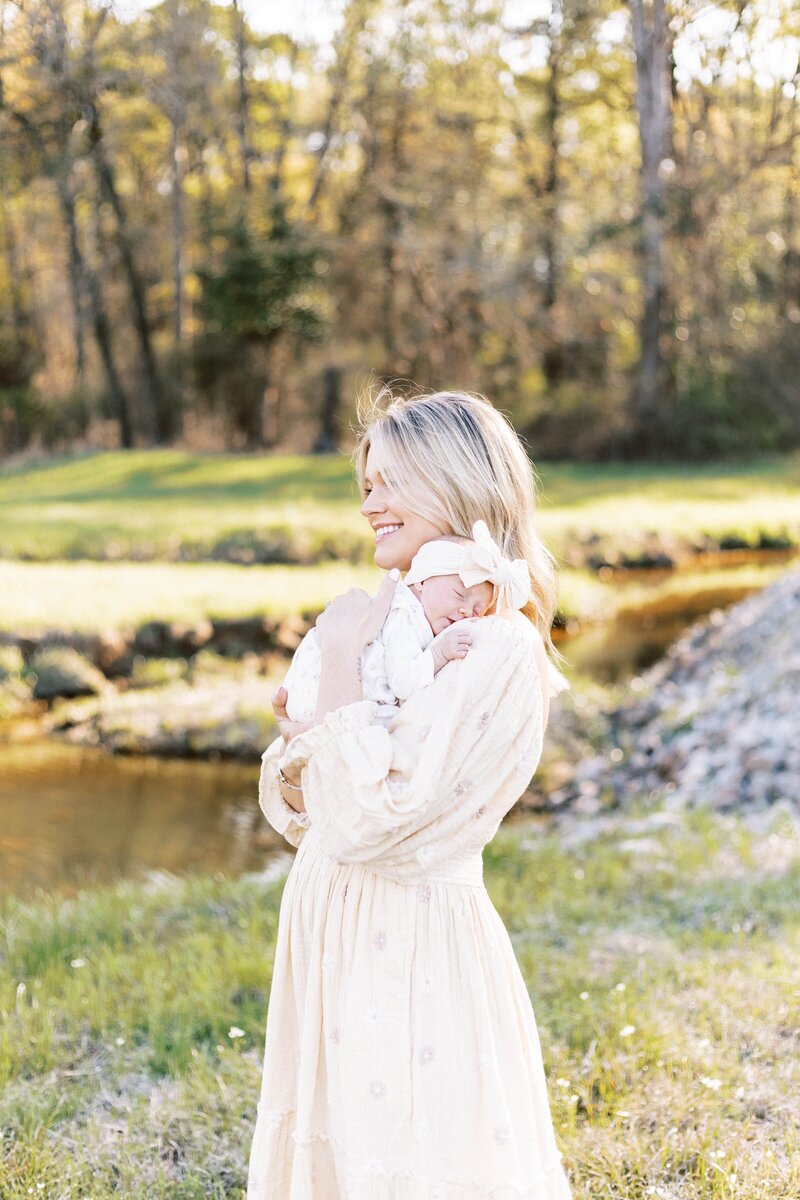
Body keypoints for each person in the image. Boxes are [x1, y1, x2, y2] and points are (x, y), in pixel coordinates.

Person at [246, 387, 573, 1200]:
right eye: (366, 484)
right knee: (338, 1137)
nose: (370, 503)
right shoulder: (394, 621)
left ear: (458, 484)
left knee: (407, 1149)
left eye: (391, 482)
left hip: (413, 941)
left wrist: (346, 667)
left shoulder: (495, 648)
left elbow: (370, 818)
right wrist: (309, 735)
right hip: (333, 923)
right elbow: (313, 812)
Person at [281, 520, 539, 725]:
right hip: (315, 699)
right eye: (459, 595)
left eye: (477, 610)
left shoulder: (428, 617)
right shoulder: (403, 614)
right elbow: (404, 682)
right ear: (421, 582)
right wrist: (438, 653)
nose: (465, 612)